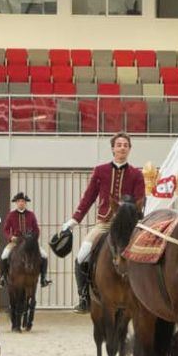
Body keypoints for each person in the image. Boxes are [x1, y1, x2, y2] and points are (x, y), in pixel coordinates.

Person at [61, 132, 145, 313]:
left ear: (129, 149)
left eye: (125, 145)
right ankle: (84, 297)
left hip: (129, 226)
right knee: (82, 255)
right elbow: (88, 197)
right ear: (113, 148)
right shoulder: (100, 171)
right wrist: (74, 220)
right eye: (119, 144)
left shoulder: (137, 174)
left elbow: (140, 201)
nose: (122, 147)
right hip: (105, 223)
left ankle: (146, 295)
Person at [1, 192, 49, 287]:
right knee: (4, 255)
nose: (21, 203)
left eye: (22, 201)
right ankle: (2, 277)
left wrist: (33, 240)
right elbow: (5, 230)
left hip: (29, 242)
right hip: (15, 242)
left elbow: (36, 229)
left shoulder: (31, 215)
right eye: (19, 201)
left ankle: (43, 278)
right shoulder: (11, 215)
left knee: (45, 255)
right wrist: (11, 237)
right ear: (16, 203)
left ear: (25, 203)